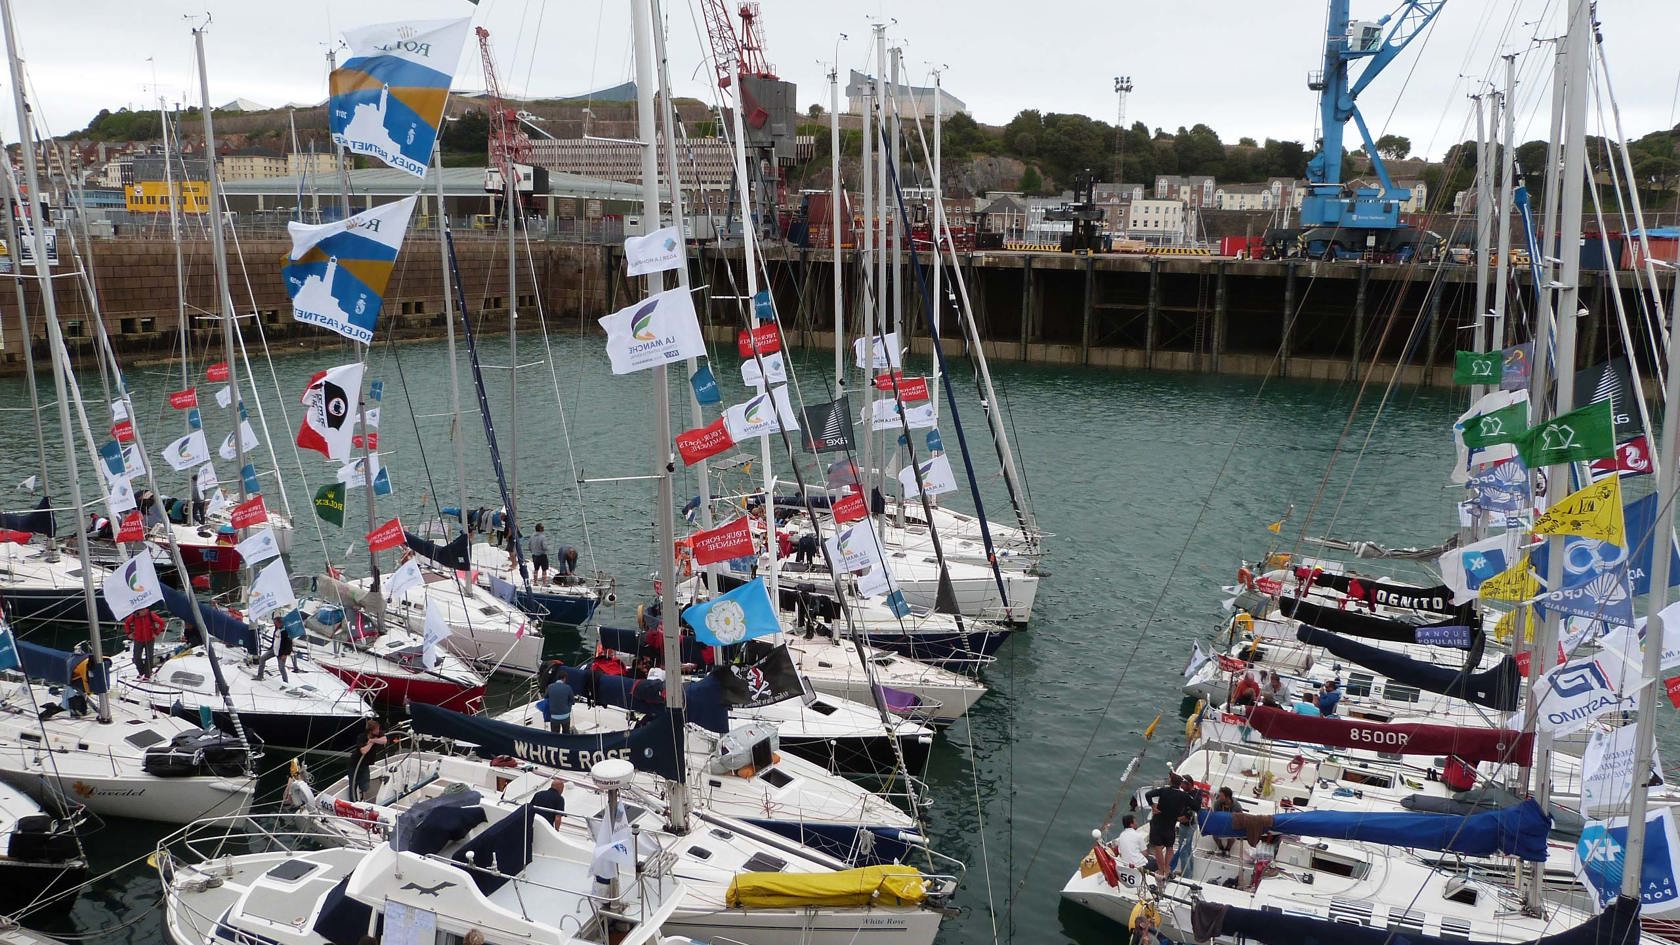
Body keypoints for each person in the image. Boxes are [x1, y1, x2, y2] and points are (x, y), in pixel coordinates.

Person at [1143, 774, 1199, 881]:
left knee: (1158, 848)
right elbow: (1196, 806)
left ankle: (1160, 870)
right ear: (1180, 784)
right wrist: (1187, 811)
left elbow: (1148, 794)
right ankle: (1167, 869)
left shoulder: (1163, 791)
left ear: (1171, 781)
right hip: (1170, 824)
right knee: (1169, 847)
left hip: (1158, 823)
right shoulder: (1184, 796)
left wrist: (1153, 806)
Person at [349, 719, 393, 802]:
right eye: (376, 729)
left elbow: (384, 740)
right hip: (355, 764)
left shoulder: (378, 734)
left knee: (365, 785)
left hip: (365, 765)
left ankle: (362, 798)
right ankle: (353, 802)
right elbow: (364, 751)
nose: (379, 730)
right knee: (353, 785)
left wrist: (373, 740)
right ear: (371, 731)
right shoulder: (361, 737)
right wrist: (371, 743)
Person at [124, 605, 166, 679]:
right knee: (136, 658)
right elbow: (127, 623)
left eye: (143, 610)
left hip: (149, 639)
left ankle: (147, 674)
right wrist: (129, 633)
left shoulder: (150, 615)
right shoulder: (134, 616)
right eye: (140, 611)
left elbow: (162, 623)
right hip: (138, 639)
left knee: (149, 657)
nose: (142, 612)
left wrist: (156, 633)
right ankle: (142, 672)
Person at [1211, 786, 1240, 855]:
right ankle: (1221, 848)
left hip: (1231, 825)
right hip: (1221, 823)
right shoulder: (1217, 803)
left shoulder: (1236, 806)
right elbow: (1216, 816)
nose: (1219, 797)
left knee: (1233, 834)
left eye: (1221, 796)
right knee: (1214, 832)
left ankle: (1228, 849)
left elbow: (1238, 820)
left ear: (1227, 797)